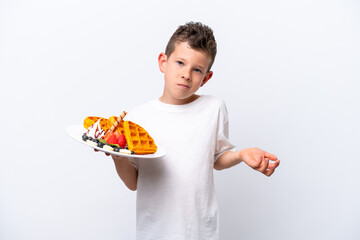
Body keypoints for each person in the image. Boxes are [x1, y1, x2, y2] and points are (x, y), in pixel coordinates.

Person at [108, 22, 280, 240]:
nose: (186, 74)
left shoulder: (214, 108)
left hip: (200, 231)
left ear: (206, 78)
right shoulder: (138, 117)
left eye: (197, 69)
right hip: (154, 231)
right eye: (180, 63)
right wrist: (116, 154)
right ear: (163, 62)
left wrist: (241, 155)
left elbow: (216, 158)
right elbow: (133, 183)